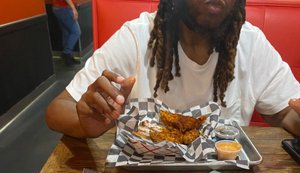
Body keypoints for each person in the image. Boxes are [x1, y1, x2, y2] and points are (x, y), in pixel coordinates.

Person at [46, 0, 300, 138]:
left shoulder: (251, 43)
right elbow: (58, 110)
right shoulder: (137, 37)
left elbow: (286, 114)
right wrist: (87, 123)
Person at [52, 0, 81, 67]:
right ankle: (66, 53)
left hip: (58, 8)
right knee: (76, 32)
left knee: (66, 32)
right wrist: (73, 8)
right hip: (64, 8)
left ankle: (68, 57)